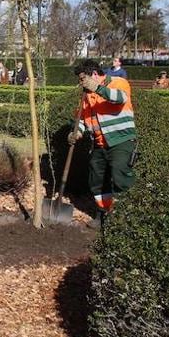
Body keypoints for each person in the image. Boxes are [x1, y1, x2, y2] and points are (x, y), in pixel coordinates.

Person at [68, 59, 137, 229]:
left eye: (82, 79)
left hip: (121, 140)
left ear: (93, 75)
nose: (81, 83)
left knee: (120, 175)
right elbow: (83, 119)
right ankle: (102, 214)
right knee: (96, 179)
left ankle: (126, 216)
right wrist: (77, 132)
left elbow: (119, 98)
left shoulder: (118, 82)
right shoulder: (87, 96)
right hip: (99, 144)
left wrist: (97, 88)